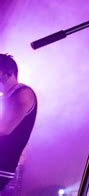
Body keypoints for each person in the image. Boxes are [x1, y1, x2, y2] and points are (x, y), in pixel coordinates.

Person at [0, 54, 37, 192]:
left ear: (5, 72)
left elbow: (4, 128)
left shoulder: (23, 93)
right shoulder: (5, 97)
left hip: (2, 166)